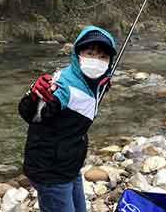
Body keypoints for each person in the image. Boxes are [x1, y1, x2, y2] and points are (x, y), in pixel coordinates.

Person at [18, 25, 117, 212]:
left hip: (70, 165)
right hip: (50, 171)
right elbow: (34, 115)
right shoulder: (62, 84)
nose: (96, 60)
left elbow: (86, 101)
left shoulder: (96, 84)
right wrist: (34, 96)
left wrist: (103, 84)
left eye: (102, 56)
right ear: (77, 54)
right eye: (90, 53)